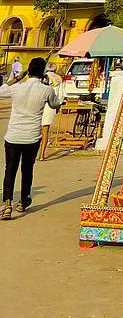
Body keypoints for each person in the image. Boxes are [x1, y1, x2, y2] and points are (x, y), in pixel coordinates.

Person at [1, 57, 62, 218]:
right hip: (32, 137)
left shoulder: (17, 88)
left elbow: (1, 91)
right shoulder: (46, 90)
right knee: (27, 169)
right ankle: (23, 200)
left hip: (13, 136)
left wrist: (15, 79)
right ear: (42, 72)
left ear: (28, 71)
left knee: (10, 169)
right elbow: (55, 104)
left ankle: (7, 203)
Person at [38, 68, 62, 160]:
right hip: (50, 107)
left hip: (39, 105)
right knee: (45, 132)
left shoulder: (40, 77)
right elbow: (60, 96)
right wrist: (57, 107)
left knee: (35, 131)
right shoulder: (58, 79)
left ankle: (33, 153)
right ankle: (42, 154)